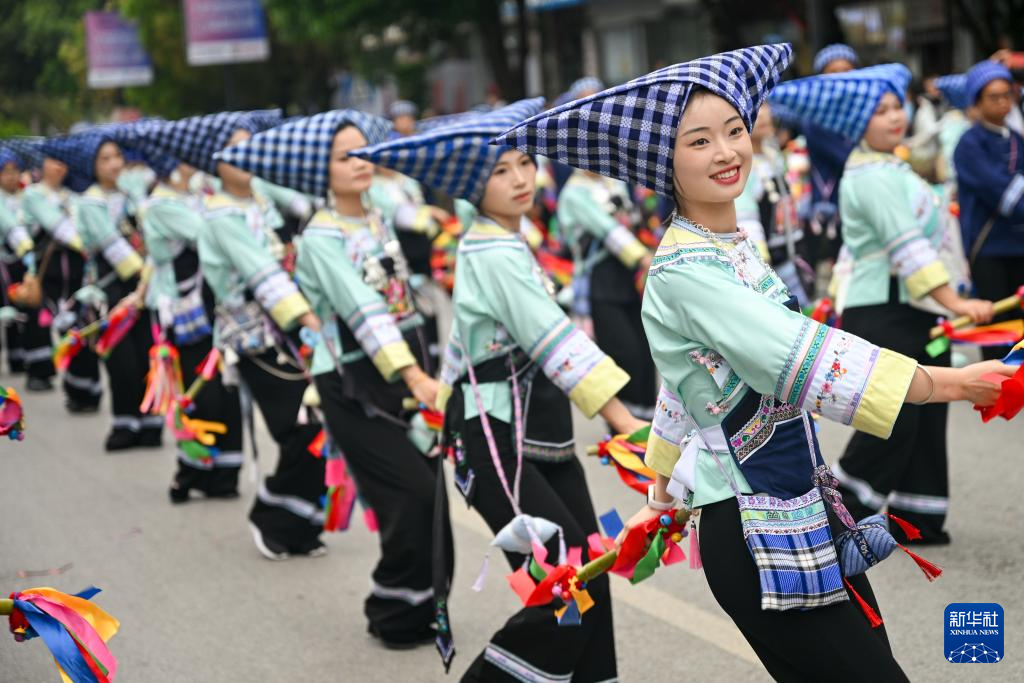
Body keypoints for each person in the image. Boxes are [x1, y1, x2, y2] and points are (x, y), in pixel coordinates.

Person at [498, 43, 1015, 681]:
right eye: (699, 141)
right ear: (663, 161)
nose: (727, 152)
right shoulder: (687, 268)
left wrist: (661, 488)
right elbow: (798, 357)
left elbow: (686, 387)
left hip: (798, 505)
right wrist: (954, 382)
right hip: (755, 529)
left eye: (734, 130)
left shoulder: (727, 246)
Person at [353, 98, 646, 682]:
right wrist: (623, 420)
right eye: (499, 170)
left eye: (524, 163)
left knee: (587, 568)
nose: (519, 179)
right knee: (565, 581)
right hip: (494, 434)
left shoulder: (509, 240)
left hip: (536, 429)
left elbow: (473, 343)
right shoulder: (490, 250)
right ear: (470, 186)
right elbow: (552, 339)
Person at [216, 108, 454, 647]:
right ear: (318, 169)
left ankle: (423, 608)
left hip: (400, 372)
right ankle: (392, 607)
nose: (359, 163)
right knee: (410, 494)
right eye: (344, 156)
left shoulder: (375, 217)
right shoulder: (322, 237)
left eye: (363, 151)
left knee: (431, 492)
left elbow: (398, 301)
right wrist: (414, 376)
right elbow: (363, 310)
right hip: (352, 383)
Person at [773, 63, 997, 544]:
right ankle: (834, 517)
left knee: (929, 413)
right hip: (886, 311)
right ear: (858, 122)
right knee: (894, 417)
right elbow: (906, 246)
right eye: (881, 111)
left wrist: (948, 299)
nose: (896, 117)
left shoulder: (891, 166)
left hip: (919, 308)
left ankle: (919, 518)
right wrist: (957, 302)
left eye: (898, 107)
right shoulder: (870, 175)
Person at [140, 110, 328, 559]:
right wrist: (307, 318)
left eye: (251, 146)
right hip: (254, 335)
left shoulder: (260, 201)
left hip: (292, 325)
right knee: (298, 426)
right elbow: (260, 271)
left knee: (316, 424)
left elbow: (289, 253)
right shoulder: (219, 215)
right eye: (234, 149)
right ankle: (273, 516)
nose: (246, 156)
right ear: (215, 161)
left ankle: (300, 523)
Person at [122, 126, 245, 502]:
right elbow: (209, 234)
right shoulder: (161, 205)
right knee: (198, 386)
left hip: (213, 300)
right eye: (185, 155)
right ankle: (194, 470)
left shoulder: (196, 196)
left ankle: (224, 473)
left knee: (224, 383)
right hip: (185, 307)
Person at [42, 131, 162, 451]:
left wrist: (151, 275)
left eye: (117, 156)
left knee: (147, 355)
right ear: (91, 165)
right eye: (105, 159)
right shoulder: (90, 202)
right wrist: (145, 274)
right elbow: (113, 248)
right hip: (110, 290)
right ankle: (125, 424)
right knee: (122, 362)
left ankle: (150, 424)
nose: (114, 164)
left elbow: (151, 233)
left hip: (144, 286)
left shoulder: (133, 193)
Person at [557, 167, 658, 419]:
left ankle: (649, 423)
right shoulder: (574, 193)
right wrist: (642, 257)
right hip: (600, 282)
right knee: (625, 355)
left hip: (628, 280)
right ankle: (625, 426)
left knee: (645, 355)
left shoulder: (613, 182)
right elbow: (607, 228)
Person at [953, 60, 1024, 360]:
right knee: (995, 326)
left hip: (1020, 246)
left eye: (1007, 94)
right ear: (977, 102)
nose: (1002, 102)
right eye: (993, 97)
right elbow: (998, 191)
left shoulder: (1018, 139)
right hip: (989, 249)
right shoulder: (968, 144)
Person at [19, 146, 97, 411]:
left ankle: (84, 390)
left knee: (80, 329)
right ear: (42, 164)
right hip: (48, 274)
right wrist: (87, 240)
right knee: (40, 323)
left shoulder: (74, 194)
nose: (59, 167)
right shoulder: (33, 195)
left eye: (63, 162)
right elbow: (59, 227)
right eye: (53, 161)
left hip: (76, 273)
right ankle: (39, 372)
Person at [735, 103, 810, 305]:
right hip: (770, 261)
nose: (764, 115)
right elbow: (747, 217)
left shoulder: (772, 154)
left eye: (765, 107)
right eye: (755, 110)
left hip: (792, 251)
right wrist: (760, 261)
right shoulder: (743, 166)